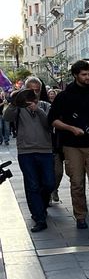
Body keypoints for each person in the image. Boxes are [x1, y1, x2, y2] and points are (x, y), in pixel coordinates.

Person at [48, 61, 89, 232]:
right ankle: (80, 216)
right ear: (75, 75)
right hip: (71, 145)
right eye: (84, 74)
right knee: (77, 182)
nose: (88, 77)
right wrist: (71, 128)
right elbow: (52, 120)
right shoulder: (63, 97)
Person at [3, 87, 54, 232]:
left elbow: (49, 124)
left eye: (36, 90)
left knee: (49, 183)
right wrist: (14, 103)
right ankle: (39, 218)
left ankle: (41, 206)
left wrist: (37, 109)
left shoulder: (45, 106)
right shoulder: (18, 108)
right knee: (32, 185)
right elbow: (7, 117)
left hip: (45, 150)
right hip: (26, 151)